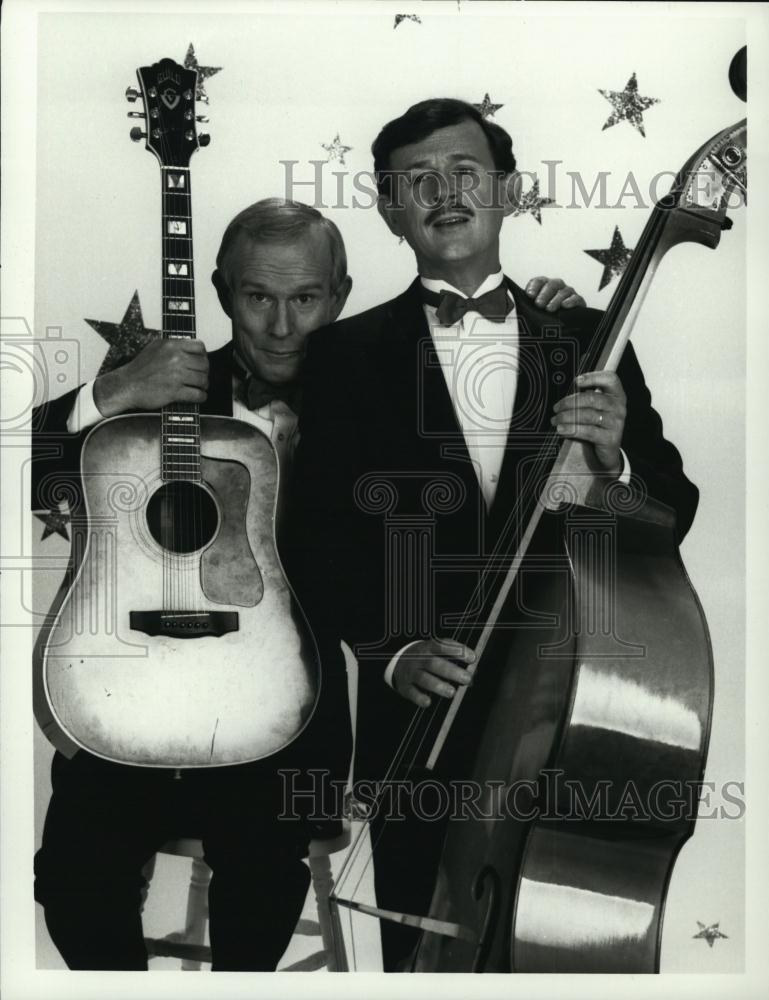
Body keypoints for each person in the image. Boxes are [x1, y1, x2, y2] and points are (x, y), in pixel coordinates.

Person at [31, 195, 585, 971]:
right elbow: (38, 479)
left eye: (307, 299)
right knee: (72, 878)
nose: (283, 327)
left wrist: (550, 321)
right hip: (137, 701)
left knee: (260, 880)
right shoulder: (163, 389)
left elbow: (501, 483)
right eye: (259, 297)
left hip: (292, 713)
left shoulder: (393, 392)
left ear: (344, 294)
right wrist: (114, 394)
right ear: (222, 292)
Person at [288, 100, 700, 970]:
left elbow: (672, 513)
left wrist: (618, 461)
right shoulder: (342, 355)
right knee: (421, 953)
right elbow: (312, 538)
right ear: (389, 207)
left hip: (576, 707)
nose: (445, 192)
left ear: (508, 191)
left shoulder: (591, 336)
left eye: (466, 172)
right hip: (420, 723)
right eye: (418, 180)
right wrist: (390, 650)